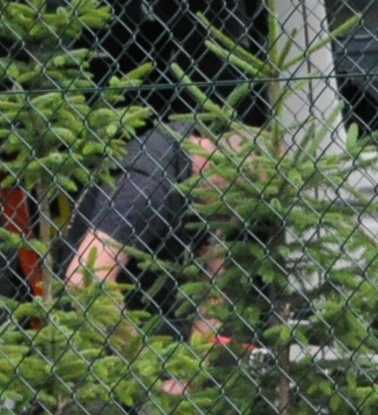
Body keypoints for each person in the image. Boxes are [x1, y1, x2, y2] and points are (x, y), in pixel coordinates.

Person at [62, 122, 271, 349]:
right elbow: (85, 280)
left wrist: (195, 359)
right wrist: (144, 362)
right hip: (96, 341)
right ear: (223, 172)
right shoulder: (144, 188)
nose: (239, 218)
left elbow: (214, 257)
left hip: (160, 325)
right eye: (241, 201)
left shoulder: (196, 164)